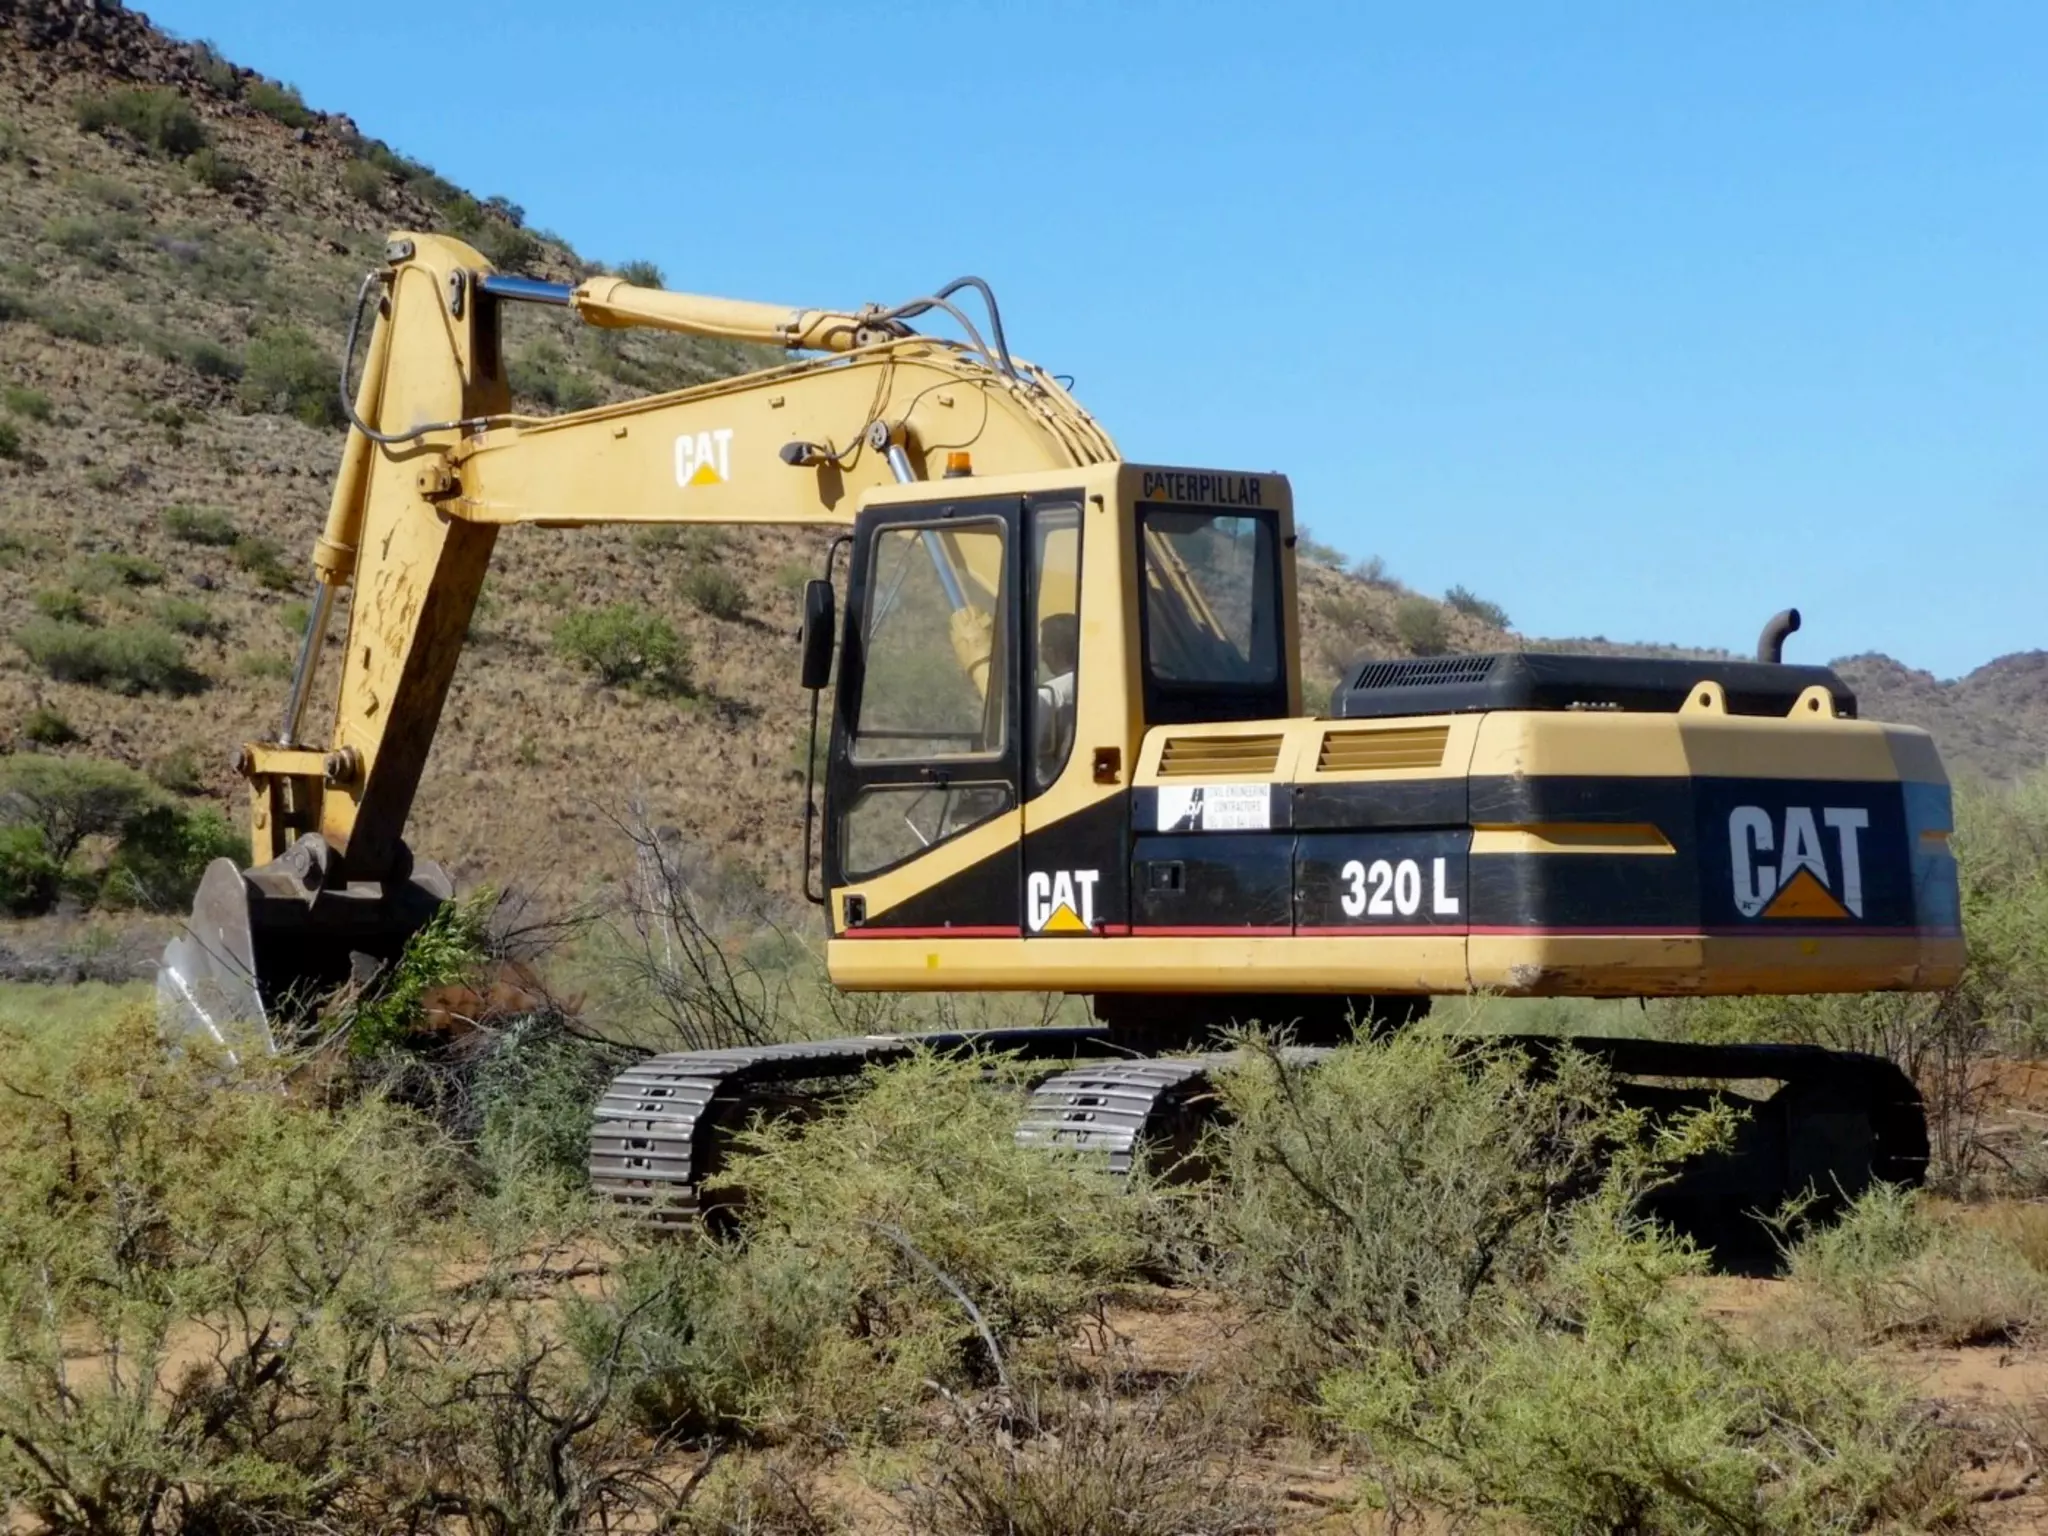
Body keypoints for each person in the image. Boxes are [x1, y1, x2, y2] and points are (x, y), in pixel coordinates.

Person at [1036, 612, 1078, 785]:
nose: (1042, 657)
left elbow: (1027, 756)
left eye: (1043, 649)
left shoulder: (1048, 695)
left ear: (1052, 652)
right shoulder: (1099, 687)